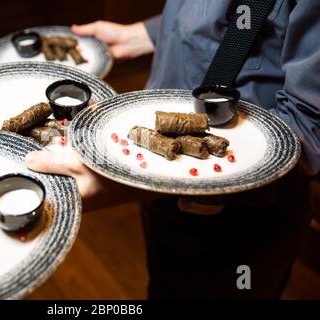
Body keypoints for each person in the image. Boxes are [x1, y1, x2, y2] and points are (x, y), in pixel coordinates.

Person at [25, 1, 320, 299]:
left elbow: (309, 128)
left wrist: (126, 183)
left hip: (243, 221)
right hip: (163, 193)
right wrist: (144, 34)